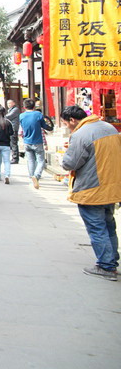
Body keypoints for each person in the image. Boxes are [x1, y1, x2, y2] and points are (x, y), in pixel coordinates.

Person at [60, 105, 121, 281]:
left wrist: (69, 151)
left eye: (66, 123)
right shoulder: (108, 127)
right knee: (109, 225)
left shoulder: (82, 134)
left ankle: (106, 266)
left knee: (97, 228)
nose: (67, 127)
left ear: (72, 120)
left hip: (92, 188)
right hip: (111, 186)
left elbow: (70, 163)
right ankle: (112, 260)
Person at [18, 98, 53, 189]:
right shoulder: (38, 114)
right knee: (41, 160)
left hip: (27, 141)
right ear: (34, 106)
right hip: (37, 141)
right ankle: (36, 176)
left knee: (30, 160)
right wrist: (50, 128)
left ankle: (31, 176)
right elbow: (44, 125)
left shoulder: (21, 116)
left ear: (24, 107)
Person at [0, 106, 12, 184]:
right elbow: (11, 133)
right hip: (6, 144)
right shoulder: (8, 122)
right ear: (4, 112)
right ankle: (7, 175)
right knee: (7, 161)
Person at [6, 99, 21, 163]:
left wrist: (1, 116)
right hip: (11, 128)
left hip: (14, 128)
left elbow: (8, 116)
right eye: (8, 103)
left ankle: (15, 158)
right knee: (12, 143)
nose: (8, 105)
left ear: (13, 103)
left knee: (13, 143)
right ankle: (14, 157)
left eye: (10, 103)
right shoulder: (10, 110)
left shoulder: (15, 110)